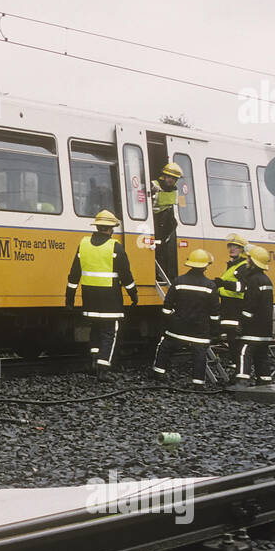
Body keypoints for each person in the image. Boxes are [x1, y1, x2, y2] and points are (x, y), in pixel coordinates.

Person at [66, 209, 139, 374]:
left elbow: (73, 275)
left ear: (97, 227)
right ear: (111, 229)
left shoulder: (83, 244)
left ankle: (93, 362)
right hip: (110, 301)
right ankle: (103, 369)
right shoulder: (116, 247)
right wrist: (133, 295)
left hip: (89, 299)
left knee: (95, 331)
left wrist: (69, 300)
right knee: (108, 333)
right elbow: (126, 276)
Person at [152, 248, 219, 388]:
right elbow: (214, 312)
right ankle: (198, 383)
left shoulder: (178, 281)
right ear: (206, 266)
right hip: (199, 330)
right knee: (200, 354)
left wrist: (170, 320)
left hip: (178, 327)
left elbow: (167, 306)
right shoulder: (210, 286)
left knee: (165, 347)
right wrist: (213, 329)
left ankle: (159, 373)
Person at [236, 244, 275, 386]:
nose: (247, 262)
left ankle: (242, 381)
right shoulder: (267, 280)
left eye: (249, 260)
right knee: (262, 355)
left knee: (244, 351)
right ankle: (265, 381)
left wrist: (242, 322)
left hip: (253, 328)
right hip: (265, 328)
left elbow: (250, 304)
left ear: (254, 262)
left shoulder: (253, 280)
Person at [215, 233, 250, 365]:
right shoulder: (232, 265)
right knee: (231, 339)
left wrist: (222, 284)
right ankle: (236, 364)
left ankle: (239, 366)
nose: (232, 249)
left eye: (236, 247)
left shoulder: (242, 266)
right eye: (230, 246)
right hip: (227, 308)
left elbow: (242, 287)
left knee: (235, 339)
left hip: (236, 308)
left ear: (241, 250)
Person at [151, 162, 183, 284]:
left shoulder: (175, 191)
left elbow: (181, 205)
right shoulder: (154, 184)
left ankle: (163, 274)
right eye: (169, 177)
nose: (171, 180)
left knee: (164, 250)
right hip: (154, 221)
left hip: (165, 223)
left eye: (174, 178)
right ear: (163, 176)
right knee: (157, 248)